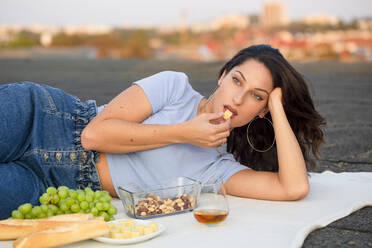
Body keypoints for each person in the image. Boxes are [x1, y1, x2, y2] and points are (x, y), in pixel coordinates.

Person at [0, 44, 325, 219]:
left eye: (256, 96)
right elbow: (93, 136)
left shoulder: (219, 170)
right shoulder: (174, 86)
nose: (238, 99)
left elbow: (293, 188)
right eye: (237, 80)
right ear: (222, 76)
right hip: (47, 119)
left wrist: (279, 105)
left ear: (261, 110)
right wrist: (184, 132)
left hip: (55, 188)